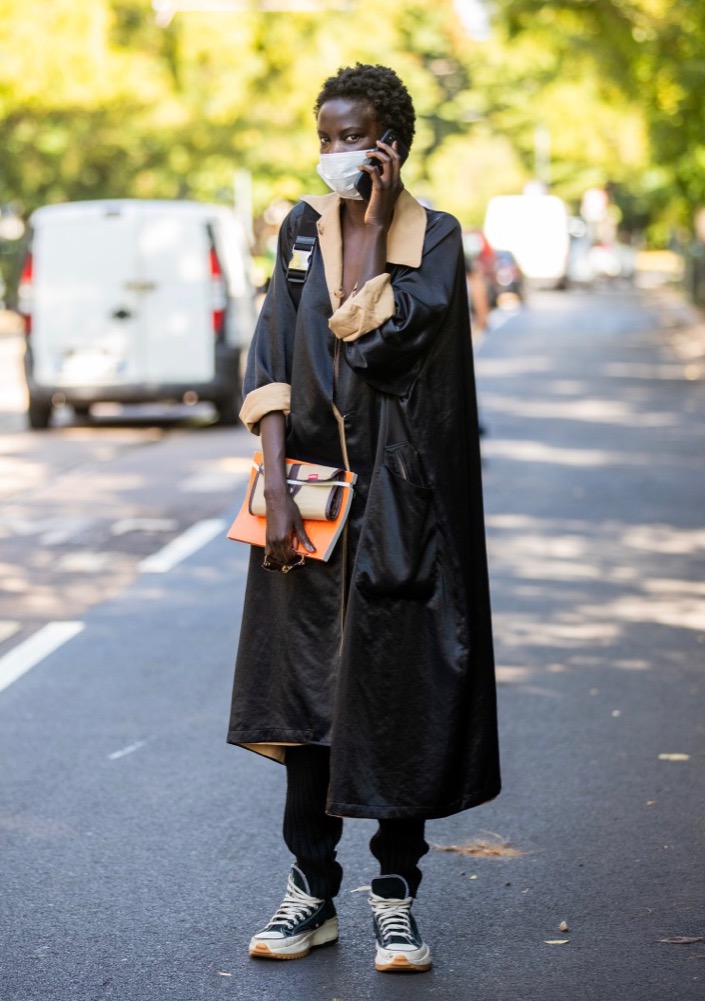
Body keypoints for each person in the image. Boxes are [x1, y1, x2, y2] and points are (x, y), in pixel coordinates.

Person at [227, 63, 500, 974]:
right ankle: (311, 888)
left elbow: (376, 341)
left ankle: (394, 895)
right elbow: (271, 348)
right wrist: (270, 484)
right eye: (326, 137)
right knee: (304, 695)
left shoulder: (435, 238)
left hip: (401, 506)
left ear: (393, 144)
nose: (337, 154)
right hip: (306, 499)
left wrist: (375, 226)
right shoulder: (299, 228)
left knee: (396, 692)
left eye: (355, 138)